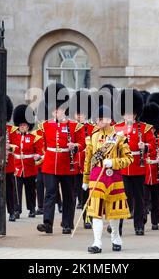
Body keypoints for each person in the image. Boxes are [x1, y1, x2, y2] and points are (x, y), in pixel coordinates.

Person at [82, 105, 134, 253]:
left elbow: (129, 159)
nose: (98, 120)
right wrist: (85, 179)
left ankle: (116, 237)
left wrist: (114, 163)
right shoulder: (93, 137)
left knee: (114, 210)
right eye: (97, 118)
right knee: (95, 210)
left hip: (113, 176)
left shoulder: (119, 137)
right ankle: (97, 242)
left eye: (102, 118)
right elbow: (88, 160)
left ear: (110, 119)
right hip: (96, 176)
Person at [37, 83, 85, 234]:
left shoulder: (75, 126)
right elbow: (42, 145)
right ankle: (47, 223)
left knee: (69, 195)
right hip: (50, 164)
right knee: (50, 193)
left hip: (67, 164)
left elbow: (82, 144)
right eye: (55, 110)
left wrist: (75, 146)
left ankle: (67, 223)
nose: (57, 112)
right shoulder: (45, 126)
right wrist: (40, 155)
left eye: (60, 110)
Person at [114, 89, 155, 235]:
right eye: (126, 113)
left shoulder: (144, 128)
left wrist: (145, 146)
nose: (129, 116)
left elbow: (153, 146)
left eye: (131, 113)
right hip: (123, 168)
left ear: (136, 114)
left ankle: (139, 225)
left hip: (138, 166)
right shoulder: (117, 128)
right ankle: (117, 225)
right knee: (122, 198)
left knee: (139, 198)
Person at [11, 104, 44, 218]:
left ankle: (31, 208)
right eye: (21, 125)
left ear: (28, 126)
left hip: (30, 167)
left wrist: (37, 156)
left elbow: (40, 151)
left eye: (25, 125)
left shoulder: (34, 137)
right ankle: (17, 210)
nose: (22, 127)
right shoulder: (14, 136)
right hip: (17, 167)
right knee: (16, 190)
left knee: (30, 190)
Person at [69, 89, 94, 229]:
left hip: (88, 166)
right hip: (73, 165)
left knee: (86, 195)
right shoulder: (70, 128)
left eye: (82, 113)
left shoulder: (92, 128)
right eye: (77, 113)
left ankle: (87, 218)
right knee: (71, 194)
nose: (79, 116)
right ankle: (69, 221)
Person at [141, 102, 159, 230]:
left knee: (156, 199)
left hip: (157, 173)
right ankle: (143, 217)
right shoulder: (142, 142)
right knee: (144, 198)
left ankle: (155, 221)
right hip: (144, 172)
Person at [4, 95, 18, 221]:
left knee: (10, 189)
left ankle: (12, 211)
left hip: (8, 164)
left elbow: (17, 146)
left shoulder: (12, 130)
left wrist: (9, 147)